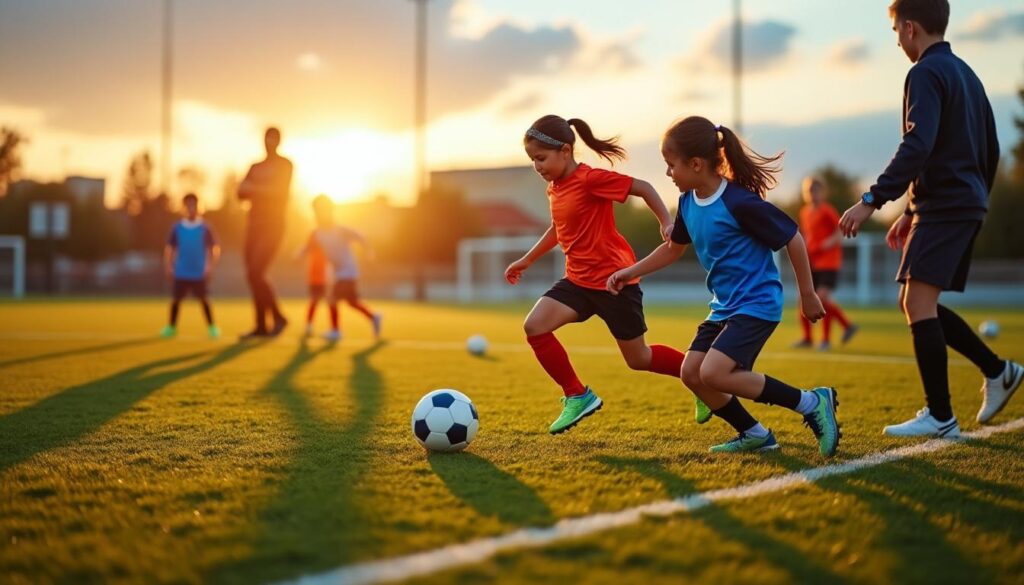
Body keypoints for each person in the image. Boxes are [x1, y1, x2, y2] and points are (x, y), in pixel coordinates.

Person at [839, 0, 1022, 437]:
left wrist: (872, 199)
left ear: (909, 28)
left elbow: (917, 144)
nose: (898, 40)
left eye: (896, 31)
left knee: (916, 303)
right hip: (959, 202)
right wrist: (914, 208)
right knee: (920, 302)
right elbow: (989, 149)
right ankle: (998, 371)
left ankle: (941, 415)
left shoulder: (923, 72)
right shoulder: (968, 75)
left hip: (949, 205)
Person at [607, 116, 841, 456]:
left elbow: (793, 237)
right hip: (725, 307)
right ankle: (755, 433)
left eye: (671, 166)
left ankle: (811, 402)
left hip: (757, 304)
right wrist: (630, 272)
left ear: (697, 164)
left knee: (714, 373)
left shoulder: (738, 202)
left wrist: (807, 294)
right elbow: (673, 248)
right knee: (691, 372)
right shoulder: (688, 202)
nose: (669, 173)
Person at [504, 114, 701, 435]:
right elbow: (558, 228)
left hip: (615, 282)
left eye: (541, 158)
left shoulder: (590, 179)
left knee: (639, 359)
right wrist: (526, 260)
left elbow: (645, 188)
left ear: (565, 151)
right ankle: (577, 395)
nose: (537, 166)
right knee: (535, 327)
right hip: (577, 282)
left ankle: (699, 378)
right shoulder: (555, 188)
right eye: (532, 160)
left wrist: (666, 222)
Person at [297, 194, 381, 342]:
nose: (320, 213)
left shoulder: (340, 230)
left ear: (330, 210)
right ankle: (374, 317)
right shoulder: (317, 233)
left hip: (348, 271)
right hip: (338, 273)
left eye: (324, 209)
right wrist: (299, 254)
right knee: (352, 302)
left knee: (331, 298)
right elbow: (308, 247)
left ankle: (336, 331)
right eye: (317, 210)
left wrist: (369, 251)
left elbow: (361, 237)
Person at [238, 127, 292, 339]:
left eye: (273, 138)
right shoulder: (255, 166)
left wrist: (256, 188)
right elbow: (240, 192)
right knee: (252, 275)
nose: (269, 142)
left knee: (257, 271)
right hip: (253, 225)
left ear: (278, 141)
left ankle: (278, 317)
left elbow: (280, 191)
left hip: (274, 225)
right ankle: (261, 326)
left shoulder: (285, 164)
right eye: (266, 138)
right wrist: (261, 188)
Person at [793, 176, 857, 350]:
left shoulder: (827, 210)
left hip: (829, 262)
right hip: (813, 262)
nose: (812, 194)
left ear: (822, 192)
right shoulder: (805, 211)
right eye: (808, 191)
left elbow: (839, 231)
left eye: (815, 190)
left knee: (821, 298)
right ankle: (808, 338)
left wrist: (829, 241)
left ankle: (826, 339)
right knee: (803, 299)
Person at [161, 193, 220, 339]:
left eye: (194, 204)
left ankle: (212, 328)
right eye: (188, 205)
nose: (191, 208)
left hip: (199, 271)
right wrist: (169, 266)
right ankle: (171, 327)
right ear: (184, 207)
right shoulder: (177, 228)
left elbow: (213, 249)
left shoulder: (205, 228)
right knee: (176, 300)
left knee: (204, 299)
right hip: (181, 271)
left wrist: (209, 266)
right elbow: (170, 249)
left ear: (198, 206)